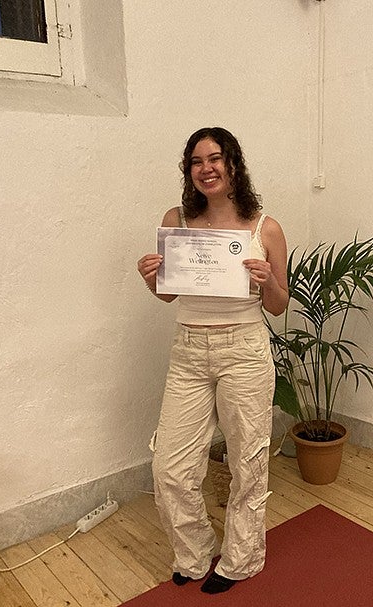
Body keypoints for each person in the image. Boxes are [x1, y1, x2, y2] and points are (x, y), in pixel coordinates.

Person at [137, 127, 288, 594]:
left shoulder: (266, 228)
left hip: (243, 349)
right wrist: (150, 277)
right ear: (189, 171)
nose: (207, 168)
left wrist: (266, 280)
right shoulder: (176, 219)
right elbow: (168, 295)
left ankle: (242, 559)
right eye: (197, 161)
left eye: (216, 158)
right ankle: (194, 550)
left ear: (234, 165)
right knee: (169, 466)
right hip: (188, 350)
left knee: (247, 460)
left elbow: (280, 305)